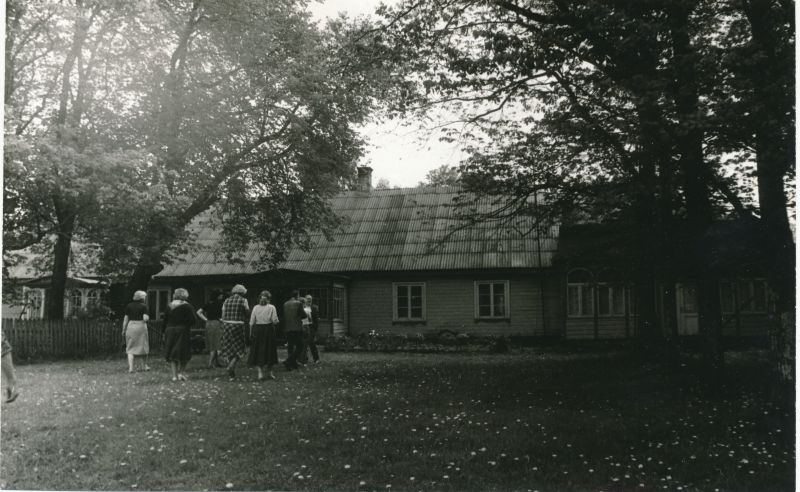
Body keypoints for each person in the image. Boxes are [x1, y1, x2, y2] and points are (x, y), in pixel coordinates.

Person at [163, 288, 197, 381]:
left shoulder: (169, 306)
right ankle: (181, 373)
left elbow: (165, 320)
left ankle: (174, 376)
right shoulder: (187, 306)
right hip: (182, 330)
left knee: (172, 353)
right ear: (184, 295)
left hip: (169, 330)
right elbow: (193, 320)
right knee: (184, 353)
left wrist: (163, 332)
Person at [248, 290, 280, 380]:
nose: (263, 301)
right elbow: (274, 320)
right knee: (266, 351)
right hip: (266, 330)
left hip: (260, 330)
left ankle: (264, 373)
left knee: (264, 351)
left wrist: (250, 333)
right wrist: (277, 321)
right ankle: (265, 373)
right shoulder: (271, 307)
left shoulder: (257, 307)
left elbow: (251, 322)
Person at [220, 284, 250, 379]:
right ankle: (231, 366)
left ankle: (231, 375)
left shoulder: (226, 300)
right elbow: (247, 313)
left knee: (229, 347)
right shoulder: (244, 300)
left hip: (227, 325)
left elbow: (223, 315)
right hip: (238, 325)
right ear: (242, 292)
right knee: (239, 347)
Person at [122, 290, 150, 373]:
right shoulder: (144, 306)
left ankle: (131, 368)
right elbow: (145, 318)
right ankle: (144, 366)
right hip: (140, 326)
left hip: (131, 326)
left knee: (130, 347)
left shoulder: (129, 306)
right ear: (141, 298)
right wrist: (148, 317)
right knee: (143, 346)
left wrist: (124, 329)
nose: (145, 298)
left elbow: (125, 319)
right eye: (144, 297)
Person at [197, 290, 225, 368]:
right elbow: (222, 316)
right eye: (221, 295)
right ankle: (210, 364)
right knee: (216, 344)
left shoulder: (208, 303)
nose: (222, 296)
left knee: (212, 343)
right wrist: (221, 320)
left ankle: (217, 362)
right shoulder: (220, 304)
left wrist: (206, 319)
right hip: (216, 324)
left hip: (208, 324)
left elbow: (198, 312)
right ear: (218, 296)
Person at [282, 290, 307, 371]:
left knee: (290, 346)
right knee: (300, 346)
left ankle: (292, 364)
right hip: (297, 328)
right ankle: (289, 361)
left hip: (288, 328)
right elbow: (304, 315)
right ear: (297, 296)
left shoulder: (285, 304)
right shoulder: (299, 303)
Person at [302, 294, 321, 364]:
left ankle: (316, 359)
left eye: (310, 299)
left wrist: (315, 328)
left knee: (311, 343)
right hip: (304, 327)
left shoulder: (314, 308)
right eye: (308, 298)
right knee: (304, 344)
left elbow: (316, 319)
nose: (309, 300)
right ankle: (304, 359)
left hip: (311, 328)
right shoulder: (302, 307)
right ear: (305, 299)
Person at [1, 329, 19, 403]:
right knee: (8, 375)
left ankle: (14, 392)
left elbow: (1, 338)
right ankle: (9, 393)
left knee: (10, 374)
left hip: (4, 352)